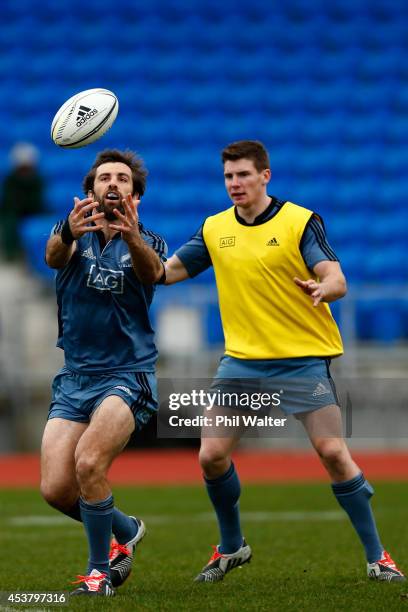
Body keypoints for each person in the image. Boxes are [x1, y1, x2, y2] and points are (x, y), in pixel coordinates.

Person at [163, 140, 405, 583]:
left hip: (302, 360)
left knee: (332, 451)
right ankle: (232, 547)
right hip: (242, 362)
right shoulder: (215, 229)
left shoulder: (299, 221)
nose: (235, 183)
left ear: (265, 175)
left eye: (243, 175)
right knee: (211, 455)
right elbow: (167, 272)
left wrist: (323, 289)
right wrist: (131, 246)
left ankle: (378, 557)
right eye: (228, 177)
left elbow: (335, 276)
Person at [41, 149, 166, 596]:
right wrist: (65, 230)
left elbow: (154, 274)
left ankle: (99, 574)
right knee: (56, 489)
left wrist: (133, 237)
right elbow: (53, 256)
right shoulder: (73, 236)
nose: (113, 183)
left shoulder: (149, 241)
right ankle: (126, 528)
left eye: (122, 179)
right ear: (90, 190)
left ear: (135, 193)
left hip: (127, 375)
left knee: (89, 463)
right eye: (104, 178)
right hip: (75, 378)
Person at [0, 142, 45, 261]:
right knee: (9, 222)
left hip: (33, 210)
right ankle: (11, 253)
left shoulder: (37, 180)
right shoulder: (10, 179)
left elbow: (38, 201)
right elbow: (8, 201)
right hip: (13, 211)